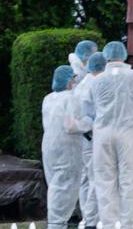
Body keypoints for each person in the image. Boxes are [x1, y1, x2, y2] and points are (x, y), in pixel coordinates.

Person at [85, 41, 133, 228]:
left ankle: (109, 223)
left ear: (106, 56)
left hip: (103, 134)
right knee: (130, 179)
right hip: (129, 132)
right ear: (124, 54)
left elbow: (88, 109)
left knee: (105, 180)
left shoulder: (97, 80)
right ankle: (128, 224)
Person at [43, 65, 84, 229]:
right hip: (68, 147)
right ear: (68, 81)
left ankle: (54, 222)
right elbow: (71, 126)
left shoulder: (48, 98)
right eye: (73, 79)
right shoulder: (70, 98)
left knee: (54, 186)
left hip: (49, 146)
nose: (74, 82)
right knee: (65, 189)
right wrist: (89, 123)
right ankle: (57, 224)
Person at [72, 51, 107, 228]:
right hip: (93, 137)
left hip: (84, 138)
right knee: (96, 179)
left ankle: (87, 216)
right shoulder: (95, 85)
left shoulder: (82, 84)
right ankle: (93, 220)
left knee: (86, 179)